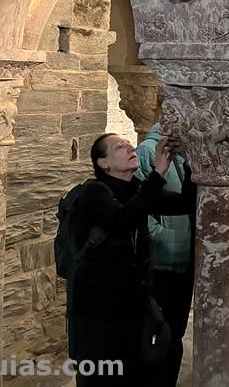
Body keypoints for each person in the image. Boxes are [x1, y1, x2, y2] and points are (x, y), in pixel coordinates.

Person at [67, 133, 195, 386]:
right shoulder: (93, 193)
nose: (129, 147)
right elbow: (122, 219)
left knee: (139, 370)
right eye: (119, 147)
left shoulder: (135, 188)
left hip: (132, 305)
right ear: (103, 163)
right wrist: (158, 172)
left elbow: (185, 203)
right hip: (98, 310)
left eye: (128, 144)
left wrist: (190, 160)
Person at [135, 123, 194, 387]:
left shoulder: (187, 152)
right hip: (160, 263)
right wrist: (173, 241)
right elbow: (142, 208)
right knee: (158, 334)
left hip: (184, 262)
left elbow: (187, 202)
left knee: (176, 334)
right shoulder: (148, 152)